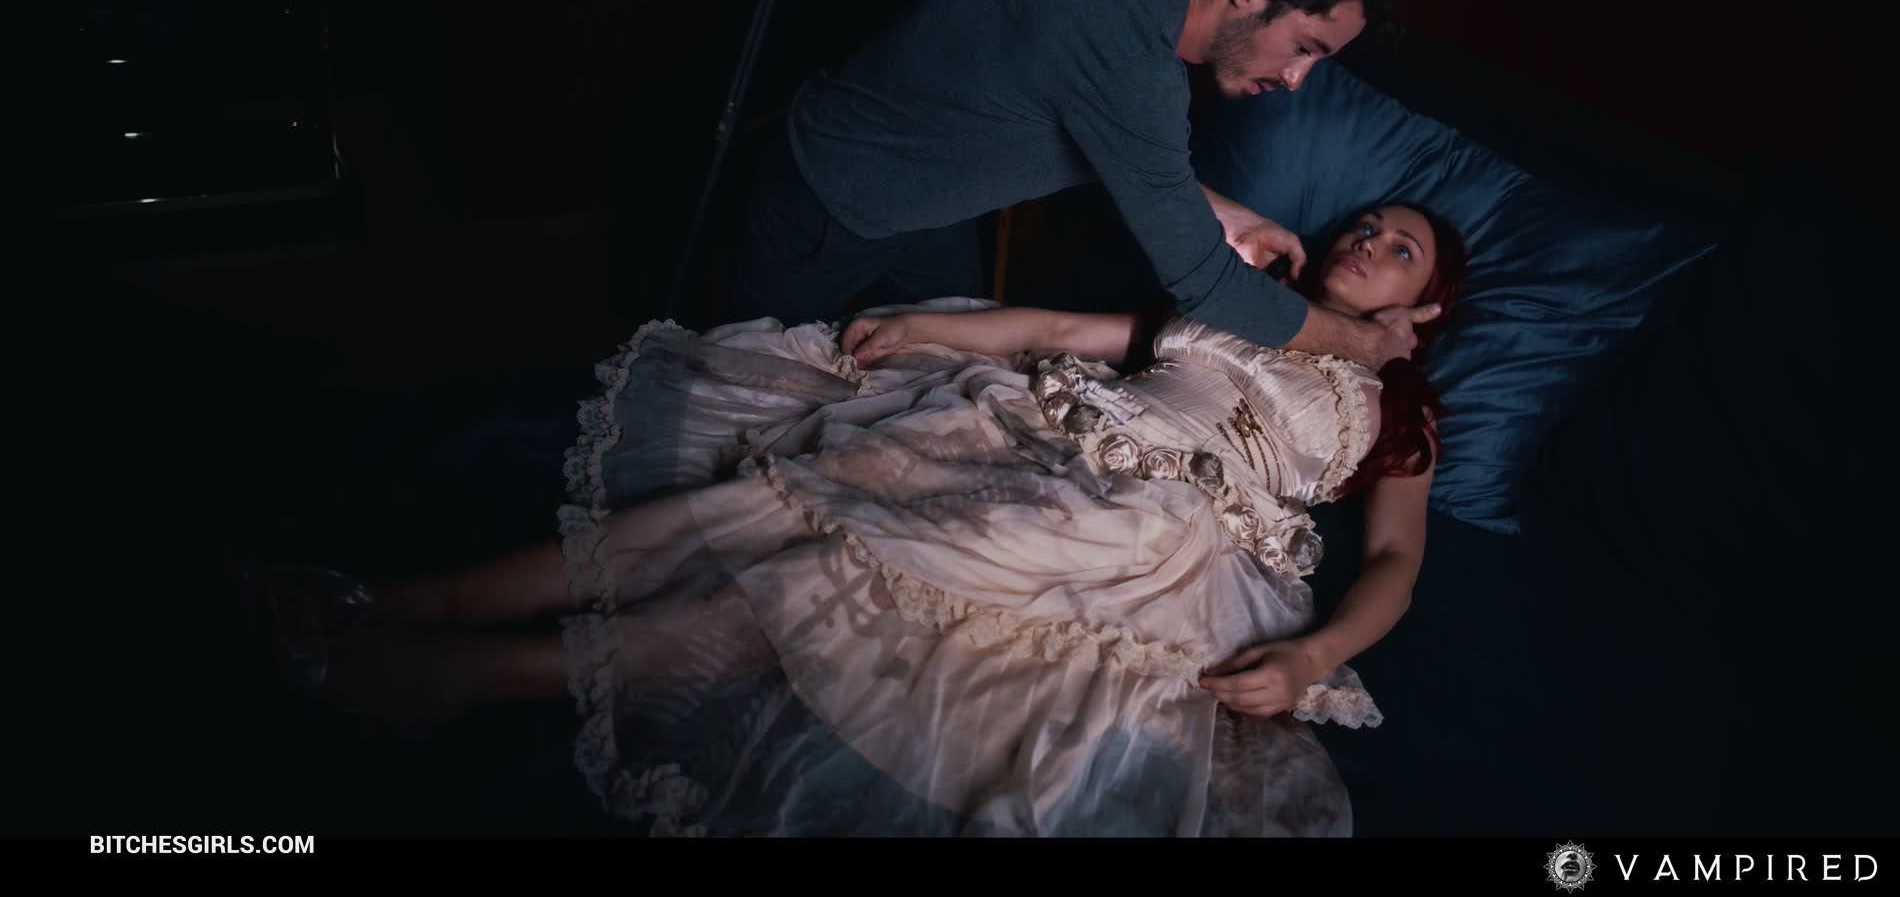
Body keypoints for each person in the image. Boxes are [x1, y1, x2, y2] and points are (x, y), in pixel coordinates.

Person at [259, 201, 1468, 837]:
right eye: (1365, 225)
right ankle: (404, 600)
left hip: (1158, 530)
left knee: (818, 578)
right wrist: (933, 327)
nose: (1366, 241)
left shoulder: (1396, 411)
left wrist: (1314, 652)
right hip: (1043, 430)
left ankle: (458, 668)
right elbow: (1066, 332)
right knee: (756, 505)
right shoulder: (1233, 302)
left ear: (1425, 306)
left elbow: (1396, 563)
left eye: (1398, 247)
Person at [725, 0, 1429, 372]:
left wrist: (1226, 213)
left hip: (932, 210)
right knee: (739, 393)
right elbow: (1208, 285)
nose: (1297, 78)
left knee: (947, 378)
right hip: (832, 200)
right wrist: (1362, 343)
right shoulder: (1136, 65)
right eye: (1304, 48)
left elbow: (1089, 127)